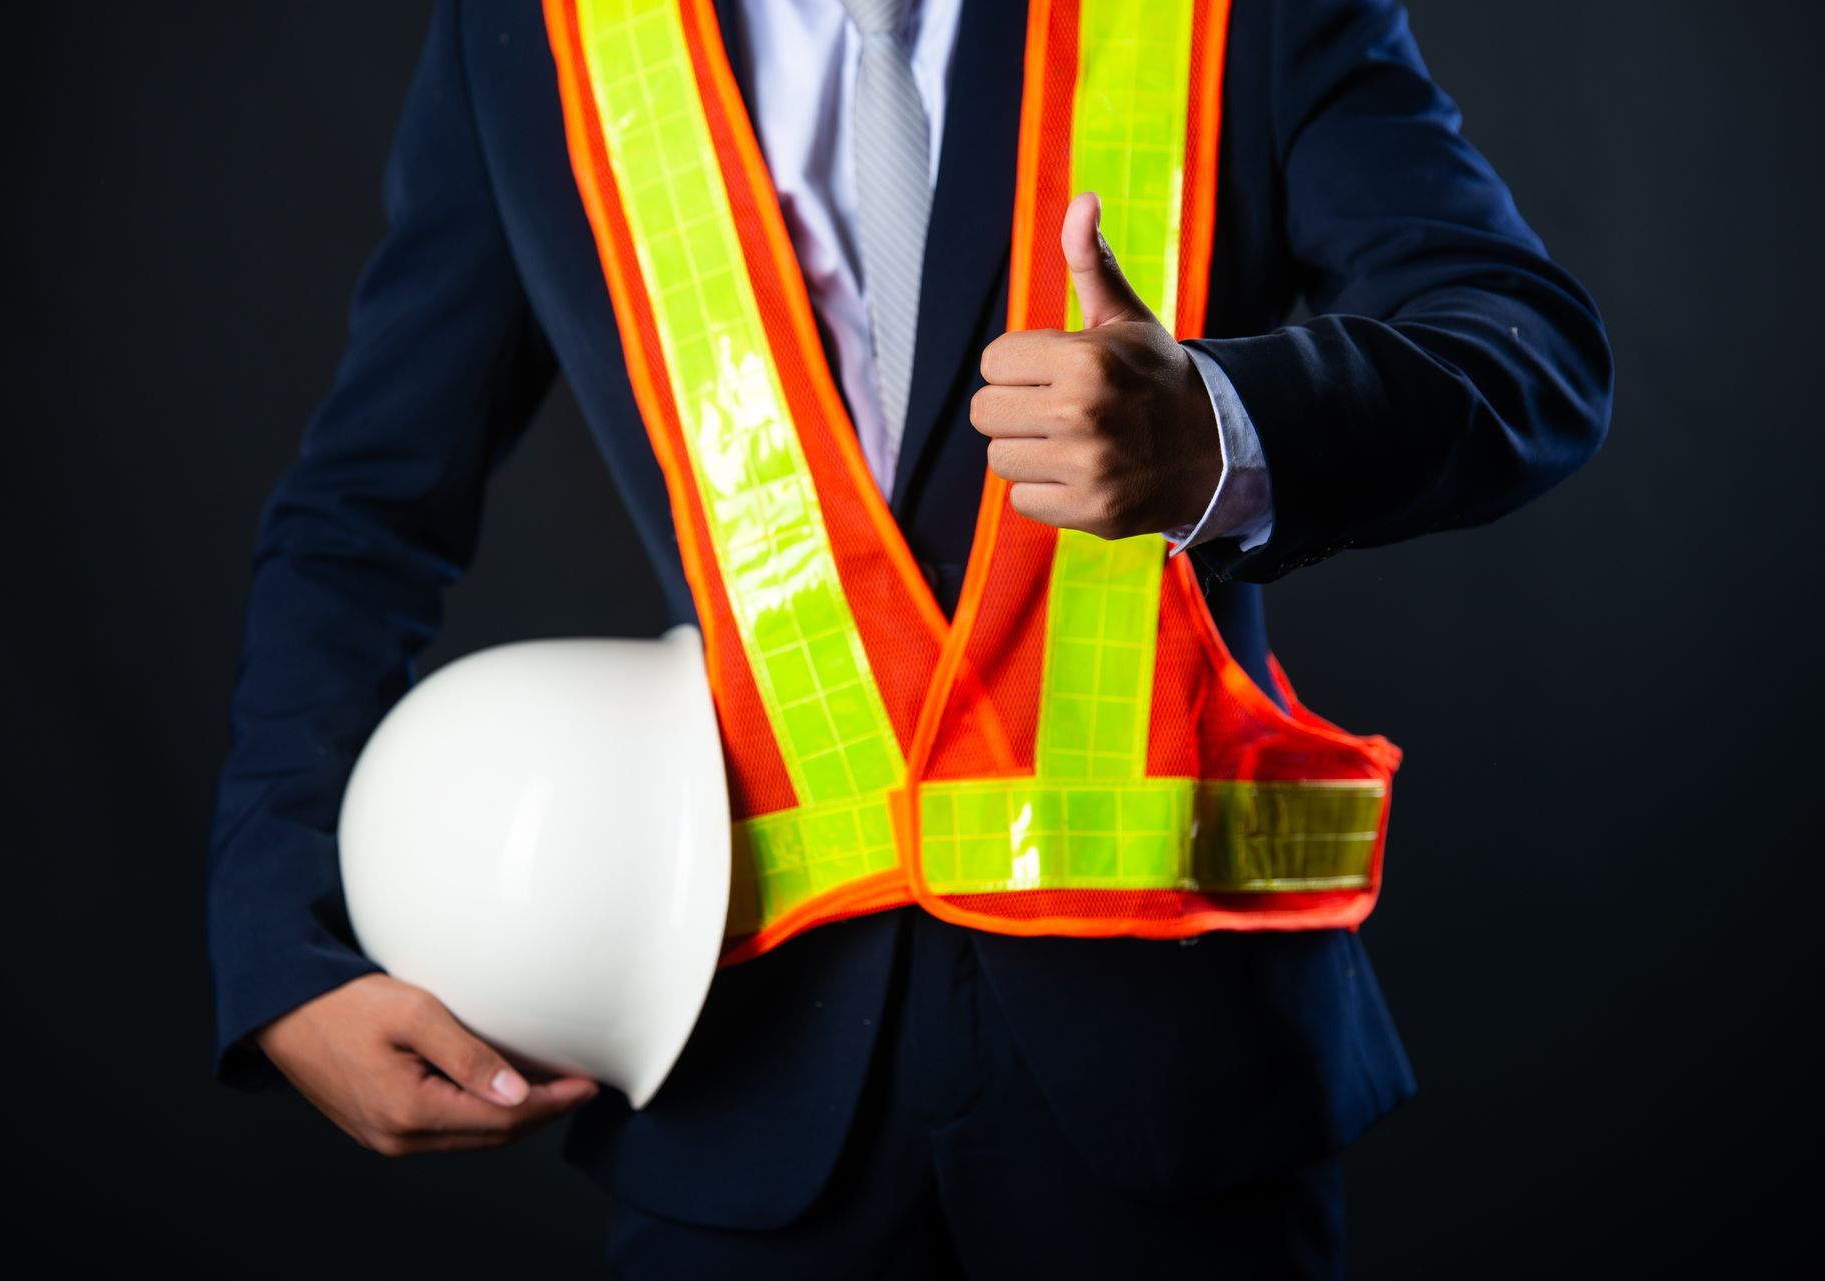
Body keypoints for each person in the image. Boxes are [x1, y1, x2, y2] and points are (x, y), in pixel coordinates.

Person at [205, 0, 1612, 1275]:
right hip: (734, 1088)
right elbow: (362, 512)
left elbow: (1531, 351)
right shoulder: (533, 36)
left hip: (1178, 1092)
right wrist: (283, 954)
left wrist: (1220, 429)